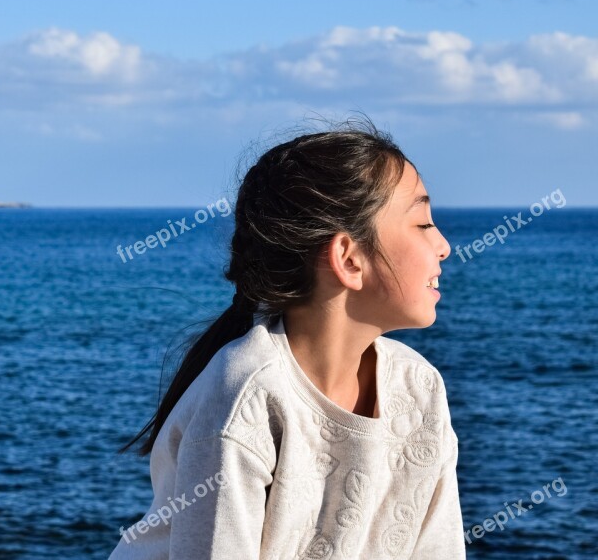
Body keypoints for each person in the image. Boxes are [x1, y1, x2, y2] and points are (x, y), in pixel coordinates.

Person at [110, 117, 466, 559]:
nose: (445, 245)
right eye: (423, 224)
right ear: (348, 258)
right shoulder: (246, 397)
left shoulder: (420, 387)